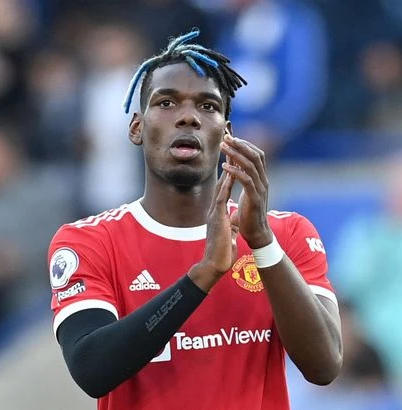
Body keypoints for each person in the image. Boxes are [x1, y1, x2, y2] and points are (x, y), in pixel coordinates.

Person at [47, 29, 342, 410]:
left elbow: (325, 365)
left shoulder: (285, 234)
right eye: (167, 103)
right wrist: (202, 276)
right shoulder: (90, 241)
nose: (188, 117)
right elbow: (92, 369)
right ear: (137, 128)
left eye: (207, 106)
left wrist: (262, 243)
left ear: (227, 134)